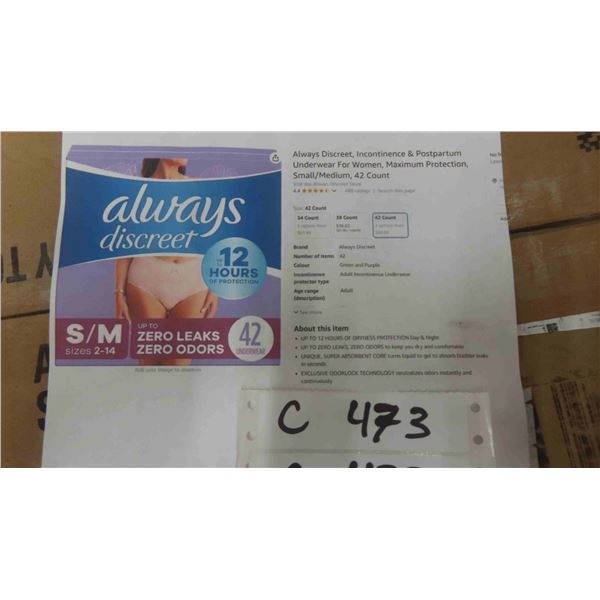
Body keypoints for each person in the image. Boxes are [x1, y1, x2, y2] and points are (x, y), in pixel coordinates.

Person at [115, 158, 218, 366]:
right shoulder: (137, 189)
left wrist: (216, 287)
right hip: (146, 281)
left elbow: (214, 240)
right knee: (149, 363)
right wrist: (119, 294)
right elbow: (124, 246)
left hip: (193, 282)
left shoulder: (200, 186)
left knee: (179, 366)